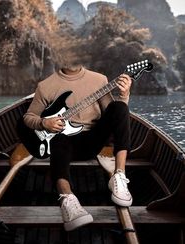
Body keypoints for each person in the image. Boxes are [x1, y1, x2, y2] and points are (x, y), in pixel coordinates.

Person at [21, 63, 132, 231]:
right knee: (59, 138)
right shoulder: (46, 85)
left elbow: (113, 115)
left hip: (93, 140)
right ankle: (67, 199)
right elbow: (28, 117)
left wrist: (124, 95)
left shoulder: (99, 80)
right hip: (63, 143)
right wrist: (44, 123)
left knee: (120, 107)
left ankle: (119, 176)